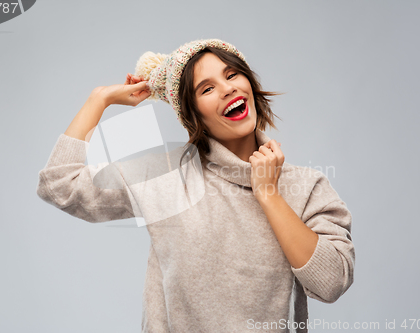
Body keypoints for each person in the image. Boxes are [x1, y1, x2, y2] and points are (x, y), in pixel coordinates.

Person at [37, 39, 355, 333]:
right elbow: (60, 185)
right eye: (207, 89)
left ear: (251, 85)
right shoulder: (167, 175)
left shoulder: (306, 186)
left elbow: (331, 283)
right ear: (194, 116)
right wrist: (100, 98)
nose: (228, 89)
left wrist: (268, 194)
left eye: (233, 75)